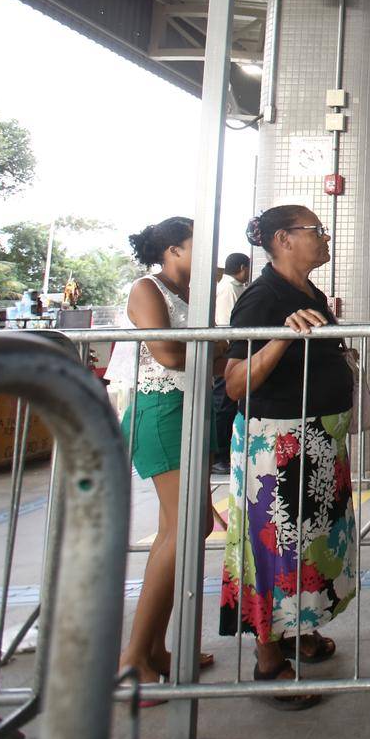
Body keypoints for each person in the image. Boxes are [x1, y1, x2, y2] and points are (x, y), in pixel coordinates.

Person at [220, 205, 358, 710]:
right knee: (275, 553)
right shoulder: (262, 298)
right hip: (278, 448)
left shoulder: (309, 292)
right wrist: (281, 336)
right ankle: (268, 661)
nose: (324, 238)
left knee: (308, 549)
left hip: (318, 442)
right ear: (282, 240)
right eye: (315, 231)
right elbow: (236, 382)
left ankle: (301, 631)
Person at [116, 217, 220, 688]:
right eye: (201, 243)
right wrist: (216, 347)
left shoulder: (193, 294)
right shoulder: (146, 288)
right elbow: (168, 353)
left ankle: (155, 646)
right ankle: (133, 657)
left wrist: (212, 348)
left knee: (173, 531)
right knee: (187, 526)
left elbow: (204, 352)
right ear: (174, 250)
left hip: (188, 407)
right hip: (161, 410)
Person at [210, 252, 251, 474]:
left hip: (233, 354)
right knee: (223, 405)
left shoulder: (235, 287)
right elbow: (228, 325)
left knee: (228, 405)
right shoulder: (228, 288)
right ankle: (220, 455)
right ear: (242, 267)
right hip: (227, 356)